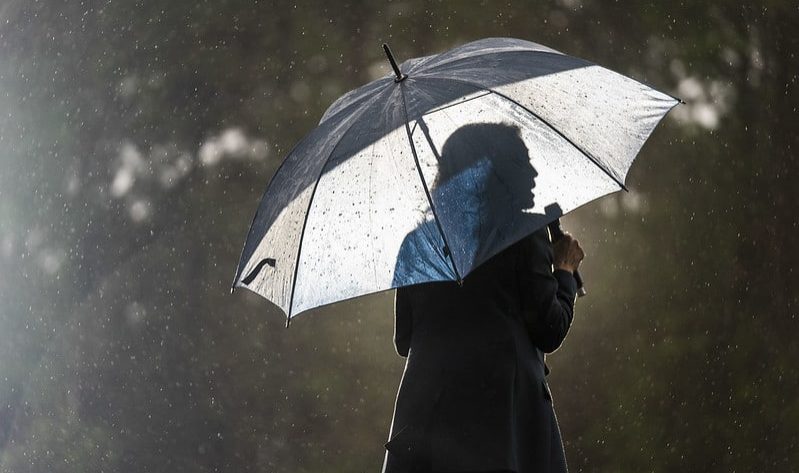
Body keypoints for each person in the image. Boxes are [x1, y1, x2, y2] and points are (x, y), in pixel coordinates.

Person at [383, 123, 585, 473]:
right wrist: (565, 271)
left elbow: (404, 340)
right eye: (523, 163)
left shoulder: (418, 243)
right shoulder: (522, 235)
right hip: (504, 425)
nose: (534, 172)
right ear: (497, 172)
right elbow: (549, 329)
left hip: (430, 428)